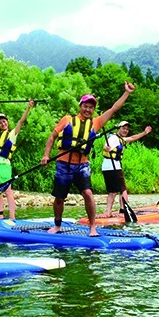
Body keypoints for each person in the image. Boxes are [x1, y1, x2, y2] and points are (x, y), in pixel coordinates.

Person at [41, 81, 136, 236]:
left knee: (88, 194)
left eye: (91, 107)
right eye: (85, 106)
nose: (88, 109)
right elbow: (52, 137)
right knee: (59, 198)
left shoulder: (96, 123)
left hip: (82, 165)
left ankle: (92, 227)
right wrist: (46, 155)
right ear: (80, 106)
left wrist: (127, 93)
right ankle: (57, 226)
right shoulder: (67, 120)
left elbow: (114, 109)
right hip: (63, 164)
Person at [101, 121, 152, 218]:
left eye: (127, 129)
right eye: (123, 128)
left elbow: (132, 138)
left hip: (107, 167)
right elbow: (105, 146)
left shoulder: (121, 139)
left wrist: (144, 133)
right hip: (113, 167)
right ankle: (122, 211)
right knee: (123, 189)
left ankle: (108, 212)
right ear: (119, 128)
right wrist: (106, 148)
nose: (125, 131)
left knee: (112, 191)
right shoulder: (114, 138)